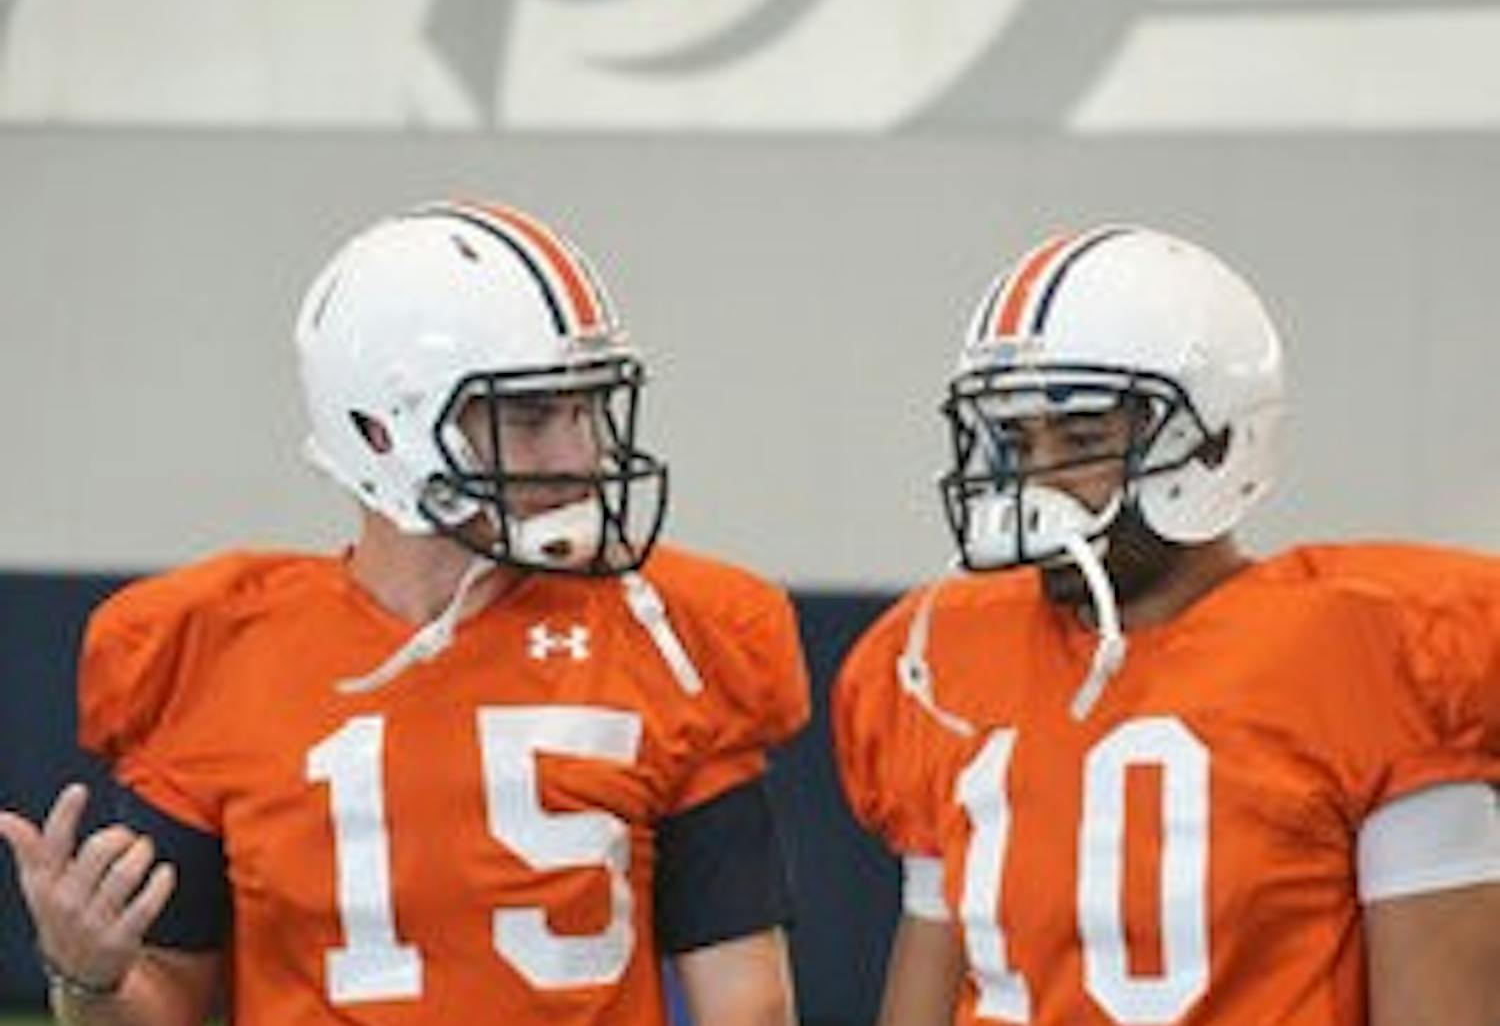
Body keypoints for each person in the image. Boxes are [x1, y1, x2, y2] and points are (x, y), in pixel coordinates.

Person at [0, 200, 809, 1025]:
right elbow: (162, 1002)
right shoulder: (212, 650)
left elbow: (749, 1000)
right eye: (532, 417)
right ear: (386, 429)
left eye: (585, 409)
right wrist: (88, 978)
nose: (582, 455)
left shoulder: (664, 631)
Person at [832, 226, 1500, 1025]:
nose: (1035, 475)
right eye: (1015, 439)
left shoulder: (1377, 652)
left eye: (1080, 439)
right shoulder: (939, 658)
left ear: (1213, 440)